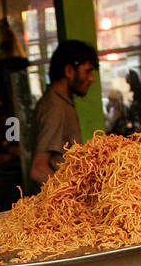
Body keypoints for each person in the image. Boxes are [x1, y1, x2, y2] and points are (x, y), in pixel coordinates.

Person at [28, 39, 98, 184]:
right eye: (88, 71)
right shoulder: (55, 107)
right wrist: (69, 197)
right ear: (69, 71)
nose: (92, 79)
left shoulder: (62, 102)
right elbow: (38, 169)